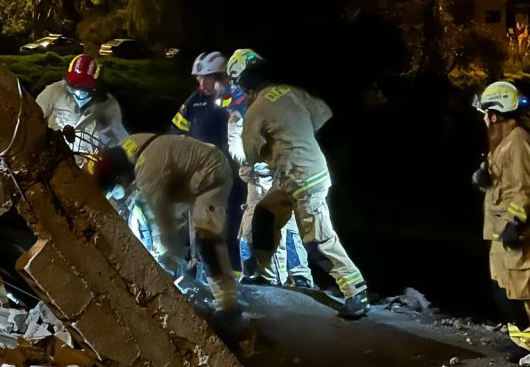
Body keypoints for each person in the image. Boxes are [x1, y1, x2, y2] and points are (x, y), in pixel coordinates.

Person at [228, 48, 368, 319]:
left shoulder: (256, 109)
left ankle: (356, 292)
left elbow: (251, 152)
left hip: (303, 180)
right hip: (293, 177)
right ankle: (267, 277)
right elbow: (323, 113)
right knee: (265, 216)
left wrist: (259, 154)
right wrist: (296, 133)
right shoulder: (290, 91)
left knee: (319, 240)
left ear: (244, 81)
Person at [90, 133, 238, 314]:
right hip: (188, 176)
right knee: (189, 238)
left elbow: (163, 221)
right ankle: (204, 274)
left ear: (119, 179)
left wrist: (167, 258)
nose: (119, 195)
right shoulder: (126, 148)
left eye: (116, 190)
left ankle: (229, 304)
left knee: (205, 239)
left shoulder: (148, 171)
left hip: (210, 175)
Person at [473, 80, 530, 361]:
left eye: (487, 113)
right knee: (503, 289)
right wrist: (483, 180)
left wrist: (515, 221)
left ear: (496, 113)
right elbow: (502, 182)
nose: (485, 119)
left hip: (513, 230)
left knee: (522, 289)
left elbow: (526, 185)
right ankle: (518, 339)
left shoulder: (518, 141)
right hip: (497, 230)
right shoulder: (502, 140)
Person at [221, 75, 313, 288]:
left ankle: (297, 275)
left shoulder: (268, 106)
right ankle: (255, 273)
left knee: (285, 227)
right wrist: (253, 161)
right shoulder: (238, 116)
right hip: (257, 179)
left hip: (278, 177)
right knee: (250, 229)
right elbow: (237, 149)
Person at [36, 54, 128, 157]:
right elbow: (32, 121)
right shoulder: (53, 93)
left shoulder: (108, 106)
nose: (76, 93)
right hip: (54, 162)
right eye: (72, 88)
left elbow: (119, 142)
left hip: (85, 168)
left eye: (83, 91)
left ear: (96, 87)